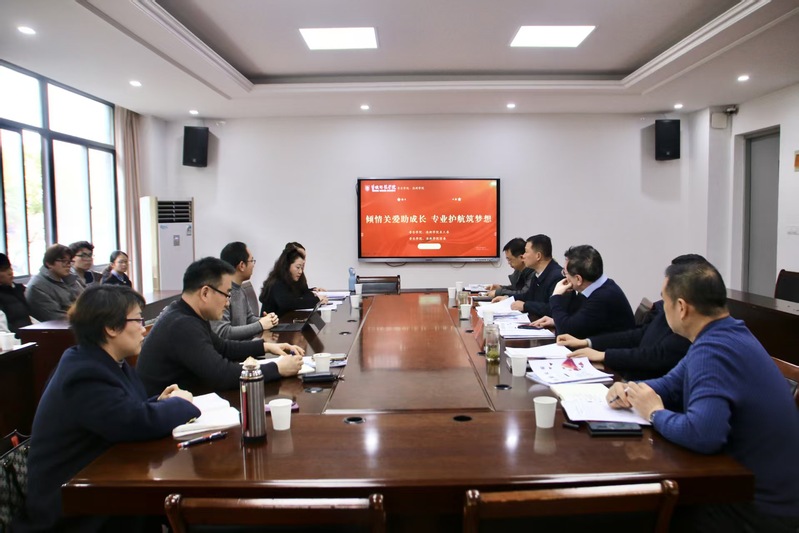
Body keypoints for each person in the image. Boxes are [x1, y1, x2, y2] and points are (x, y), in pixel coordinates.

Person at [606, 259, 799, 533]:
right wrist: (630, 389)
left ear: (681, 307)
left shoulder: (713, 350)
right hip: (754, 490)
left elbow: (703, 434)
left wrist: (655, 413)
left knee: (635, 514)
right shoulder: (725, 334)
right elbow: (670, 384)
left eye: (664, 300)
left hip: (755, 509)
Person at [15, 284, 199, 533]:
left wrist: (158, 402)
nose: (143, 327)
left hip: (99, 486)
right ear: (111, 327)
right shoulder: (84, 373)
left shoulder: (106, 362)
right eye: (138, 319)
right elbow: (134, 423)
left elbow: (124, 410)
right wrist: (181, 404)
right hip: (73, 509)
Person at [137, 257, 304, 396]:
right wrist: (277, 368)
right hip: (166, 416)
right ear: (205, 293)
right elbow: (222, 375)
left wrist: (266, 346)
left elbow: (223, 347)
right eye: (227, 294)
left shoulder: (186, 313)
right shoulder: (182, 325)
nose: (228, 303)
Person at [556, 254, 701, 381]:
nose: (663, 302)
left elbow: (656, 356)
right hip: (634, 377)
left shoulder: (689, 329)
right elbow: (639, 335)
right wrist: (587, 343)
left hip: (642, 382)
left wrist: (604, 355)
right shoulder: (667, 311)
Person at [531, 245, 634, 338]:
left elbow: (566, 333)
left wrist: (556, 296)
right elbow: (576, 322)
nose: (565, 277)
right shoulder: (598, 287)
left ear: (578, 279)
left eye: (565, 273)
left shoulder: (603, 297)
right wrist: (556, 321)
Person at [212, 241, 278, 340]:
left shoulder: (241, 290)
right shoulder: (221, 293)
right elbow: (224, 332)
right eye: (252, 261)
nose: (253, 265)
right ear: (242, 265)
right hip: (234, 349)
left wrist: (267, 320)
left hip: (244, 346)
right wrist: (260, 325)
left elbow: (249, 319)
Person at [492, 235, 563, 318]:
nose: (523, 256)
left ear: (538, 256)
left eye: (526, 252)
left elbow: (552, 308)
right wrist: (508, 299)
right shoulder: (538, 273)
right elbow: (527, 296)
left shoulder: (557, 277)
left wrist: (525, 306)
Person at [259, 247, 329, 317]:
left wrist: (313, 293)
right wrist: (317, 301)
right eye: (298, 267)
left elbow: (302, 293)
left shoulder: (291, 280)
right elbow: (289, 303)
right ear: (287, 266)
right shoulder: (277, 282)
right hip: (274, 322)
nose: (300, 271)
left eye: (302, 268)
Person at [25, 244, 84, 322]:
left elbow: (87, 301)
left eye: (69, 262)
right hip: (60, 327)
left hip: (79, 322)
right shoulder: (37, 286)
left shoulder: (70, 278)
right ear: (49, 263)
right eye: (63, 261)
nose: (68, 265)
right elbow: (56, 317)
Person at [0, 253, 32, 335]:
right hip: (14, 338)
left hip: (30, 334)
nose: (10, 272)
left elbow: (29, 316)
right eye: (4, 270)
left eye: (10, 268)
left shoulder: (19, 289)